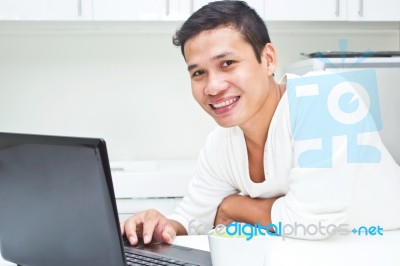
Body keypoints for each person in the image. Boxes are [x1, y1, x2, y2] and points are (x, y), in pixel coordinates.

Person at [120, 1, 400, 245]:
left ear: (267, 60)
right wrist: (162, 226)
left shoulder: (323, 99)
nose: (213, 86)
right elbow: (193, 218)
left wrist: (233, 206)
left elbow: (311, 222)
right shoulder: (221, 143)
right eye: (199, 73)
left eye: (227, 63)